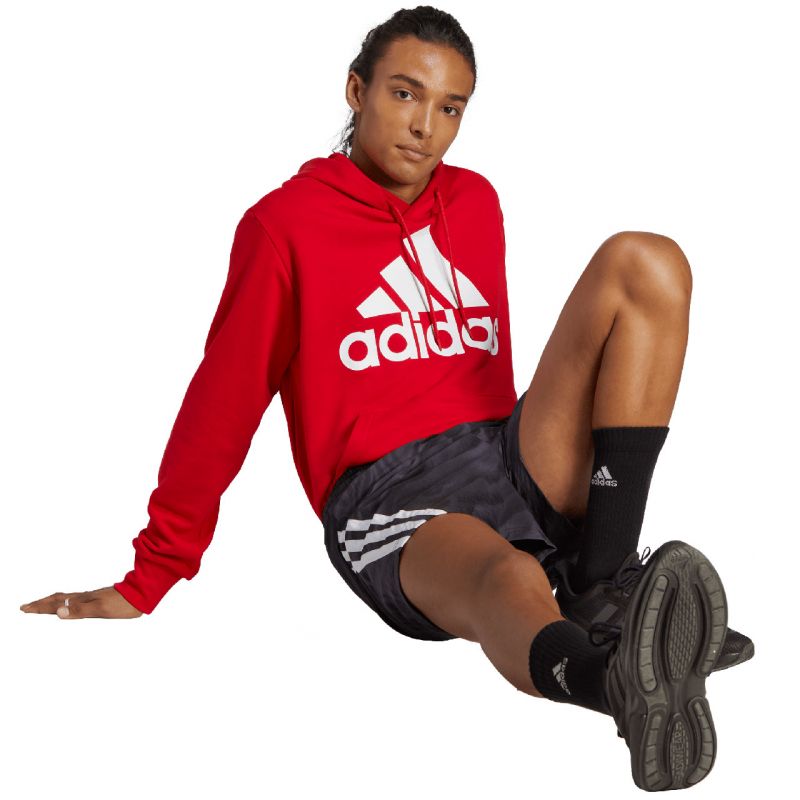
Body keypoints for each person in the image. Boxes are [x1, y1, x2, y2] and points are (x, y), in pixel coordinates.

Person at [19, 5, 754, 791]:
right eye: (405, 94)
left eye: (451, 107)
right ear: (356, 91)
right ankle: (615, 685)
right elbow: (220, 406)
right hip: (390, 496)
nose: (425, 127)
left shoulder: (475, 202)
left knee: (646, 262)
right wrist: (151, 575)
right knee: (506, 576)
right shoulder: (284, 227)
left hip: (501, 452)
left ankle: (601, 585)